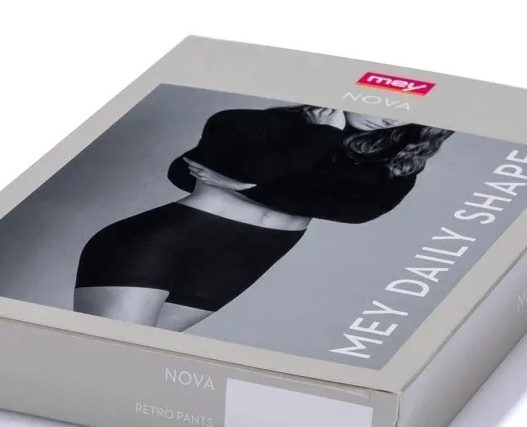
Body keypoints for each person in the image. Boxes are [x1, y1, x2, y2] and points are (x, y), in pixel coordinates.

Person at [73, 104, 452, 329]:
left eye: (404, 112)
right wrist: (323, 133)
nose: (388, 119)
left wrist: (246, 188)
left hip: (244, 260)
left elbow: (357, 211)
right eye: (383, 102)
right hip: (162, 244)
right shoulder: (251, 122)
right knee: (112, 353)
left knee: (136, 359)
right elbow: (202, 169)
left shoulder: (396, 158)